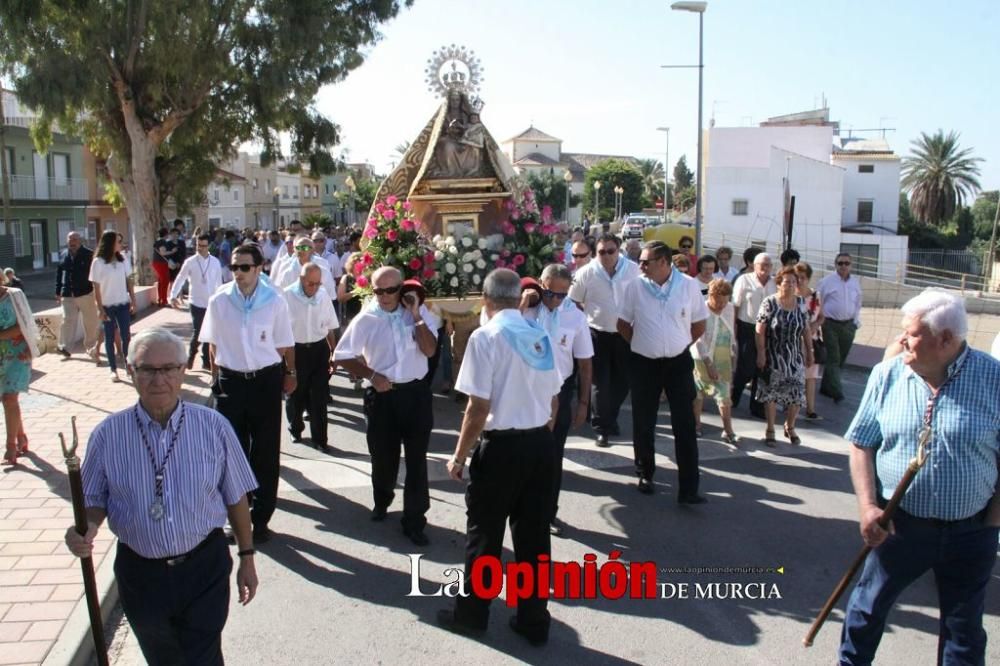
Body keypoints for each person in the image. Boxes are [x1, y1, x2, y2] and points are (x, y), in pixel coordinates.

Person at [64, 328, 259, 664]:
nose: (159, 379)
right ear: (130, 371)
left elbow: (235, 497)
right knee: (162, 658)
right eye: (147, 369)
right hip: (141, 573)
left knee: (203, 657)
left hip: (204, 567)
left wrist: (247, 557)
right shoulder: (108, 435)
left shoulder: (214, 427)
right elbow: (93, 498)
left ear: (183, 370)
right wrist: (87, 526)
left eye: (169, 368)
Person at [838, 288, 1000, 665]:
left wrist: (992, 524)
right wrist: (868, 508)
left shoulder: (994, 380)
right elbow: (862, 443)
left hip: (971, 532)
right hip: (900, 526)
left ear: (945, 339)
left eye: (911, 333)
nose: (900, 340)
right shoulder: (887, 375)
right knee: (865, 612)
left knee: (964, 630)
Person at [438, 268, 562, 646]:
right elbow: (554, 396)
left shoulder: (486, 336)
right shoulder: (539, 333)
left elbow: (477, 406)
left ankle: (473, 615)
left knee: (485, 535)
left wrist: (459, 455)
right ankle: (533, 618)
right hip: (541, 445)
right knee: (535, 537)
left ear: (486, 300)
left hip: (503, 448)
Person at [333, 267, 439, 546]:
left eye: (391, 290)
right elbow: (342, 355)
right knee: (383, 457)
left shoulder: (418, 313)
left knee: (417, 460)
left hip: (415, 394)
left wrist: (415, 315)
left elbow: (429, 350)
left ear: (402, 289)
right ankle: (382, 499)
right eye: (379, 290)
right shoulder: (367, 318)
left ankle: (415, 519)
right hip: (382, 397)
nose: (385, 296)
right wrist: (371, 375)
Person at [199, 243, 296, 544]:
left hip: (265, 381)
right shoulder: (219, 301)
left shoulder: (274, 301)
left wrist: (290, 373)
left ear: (258, 268)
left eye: (244, 267)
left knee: (265, 452)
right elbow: (213, 344)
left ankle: (261, 517)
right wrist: (216, 377)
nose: (238, 272)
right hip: (231, 383)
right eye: (234, 267)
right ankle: (236, 519)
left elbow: (285, 342)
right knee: (231, 453)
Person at [618, 240, 708, 501]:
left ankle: (688, 488)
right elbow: (623, 323)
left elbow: (699, 324)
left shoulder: (688, 285)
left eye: (646, 262)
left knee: (685, 424)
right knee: (644, 422)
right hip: (644, 363)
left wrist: (680, 343)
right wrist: (641, 342)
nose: (640, 265)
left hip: (678, 362)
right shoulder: (635, 287)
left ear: (664, 263)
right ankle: (645, 472)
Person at [524, 265, 593, 536]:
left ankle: (547, 512)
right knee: (525, 455)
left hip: (559, 392)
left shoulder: (575, 317)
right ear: (540, 284)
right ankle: (524, 509)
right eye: (548, 292)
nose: (553, 300)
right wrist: (522, 302)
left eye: (560, 295)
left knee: (552, 457)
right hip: (526, 391)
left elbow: (585, 363)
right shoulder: (526, 309)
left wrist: (584, 403)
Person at [568, 233, 640, 447]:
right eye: (601, 252)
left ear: (618, 250)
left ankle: (610, 417)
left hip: (625, 334)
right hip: (597, 334)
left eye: (610, 251)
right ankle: (602, 428)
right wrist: (584, 322)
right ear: (595, 253)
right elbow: (573, 301)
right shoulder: (586, 273)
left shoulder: (634, 270)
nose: (606, 256)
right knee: (600, 383)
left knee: (623, 382)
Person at [283, 263, 339, 451]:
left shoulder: (323, 296)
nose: (314, 288)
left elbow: (330, 327)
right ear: (301, 279)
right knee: (295, 394)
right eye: (310, 284)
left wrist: (334, 352)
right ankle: (295, 428)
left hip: (318, 350)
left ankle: (320, 439)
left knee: (319, 397)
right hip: (295, 350)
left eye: (317, 283)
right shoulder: (287, 295)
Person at [755, 266, 812, 446]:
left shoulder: (801, 303)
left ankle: (790, 425)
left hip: (794, 356)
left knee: (796, 392)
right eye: (787, 282)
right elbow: (760, 331)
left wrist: (810, 351)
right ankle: (770, 428)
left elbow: (806, 328)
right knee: (771, 393)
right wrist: (761, 353)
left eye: (794, 282)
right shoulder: (769, 302)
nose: (791, 285)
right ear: (779, 283)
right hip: (773, 354)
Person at [692, 278, 739, 445]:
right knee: (698, 393)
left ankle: (728, 430)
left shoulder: (730, 308)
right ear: (711, 295)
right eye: (718, 301)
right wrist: (708, 363)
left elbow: (731, 331)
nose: (721, 305)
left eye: (725, 301)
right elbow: (698, 339)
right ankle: (696, 425)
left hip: (723, 355)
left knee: (724, 394)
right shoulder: (701, 310)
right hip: (702, 357)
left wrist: (733, 353)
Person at [0, 274, 39, 465]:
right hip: (1, 358)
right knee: (7, 400)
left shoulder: (14, 295)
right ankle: (21, 436)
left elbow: (23, 325)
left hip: (18, 354)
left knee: (10, 398)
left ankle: (10, 448)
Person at [731, 252, 775, 417]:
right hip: (747, 327)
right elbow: (735, 305)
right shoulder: (744, 279)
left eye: (768, 265)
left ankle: (756, 406)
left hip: (767, 329)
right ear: (754, 266)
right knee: (745, 367)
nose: (765, 268)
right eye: (762, 265)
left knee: (762, 368)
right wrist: (734, 327)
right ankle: (733, 398)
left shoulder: (774, 282)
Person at [169, 233, 223, 370]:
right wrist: (173, 295)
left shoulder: (215, 262)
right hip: (195, 302)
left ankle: (206, 361)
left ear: (208, 246)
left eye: (204, 246)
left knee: (208, 333)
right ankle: (191, 355)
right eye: (199, 245)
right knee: (198, 330)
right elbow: (180, 278)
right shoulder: (190, 261)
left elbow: (219, 284)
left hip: (211, 303)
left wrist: (222, 301)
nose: (201, 248)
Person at [89, 229, 136, 382]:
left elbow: (129, 281)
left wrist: (133, 300)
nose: (121, 244)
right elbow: (96, 287)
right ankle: (113, 369)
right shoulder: (98, 262)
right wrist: (99, 308)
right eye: (118, 241)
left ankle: (129, 366)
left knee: (126, 336)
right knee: (109, 337)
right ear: (110, 243)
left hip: (123, 303)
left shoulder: (123, 260)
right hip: (107, 306)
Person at [817, 252, 863, 404]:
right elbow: (819, 301)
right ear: (835, 264)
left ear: (851, 265)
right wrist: (820, 321)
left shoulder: (855, 283)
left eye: (846, 263)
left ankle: (826, 386)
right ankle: (837, 392)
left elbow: (858, 303)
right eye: (840, 263)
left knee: (841, 359)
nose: (843, 266)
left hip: (848, 325)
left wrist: (855, 322)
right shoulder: (826, 281)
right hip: (830, 324)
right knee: (834, 357)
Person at [55, 231, 100, 360]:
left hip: (85, 293)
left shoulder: (89, 254)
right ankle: (65, 348)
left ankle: (90, 346)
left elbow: (95, 275)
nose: (72, 242)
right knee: (67, 320)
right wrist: (58, 291)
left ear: (80, 241)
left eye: (74, 239)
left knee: (90, 321)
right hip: (67, 294)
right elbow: (59, 273)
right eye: (70, 239)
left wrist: (96, 292)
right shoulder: (63, 254)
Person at [794, 262, 825, 420]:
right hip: (793, 340)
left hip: (812, 340)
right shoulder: (790, 295)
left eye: (803, 278)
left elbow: (822, 316)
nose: (800, 281)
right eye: (797, 277)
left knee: (810, 375)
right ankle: (792, 404)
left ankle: (811, 409)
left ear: (809, 278)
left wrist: (815, 324)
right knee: (794, 374)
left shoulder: (815, 295)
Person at [152, 227, 174, 306]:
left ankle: (160, 299)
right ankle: (163, 300)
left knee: (161, 281)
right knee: (165, 281)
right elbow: (163, 253)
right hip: (161, 263)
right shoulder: (162, 242)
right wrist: (172, 251)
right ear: (166, 234)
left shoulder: (158, 241)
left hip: (157, 263)